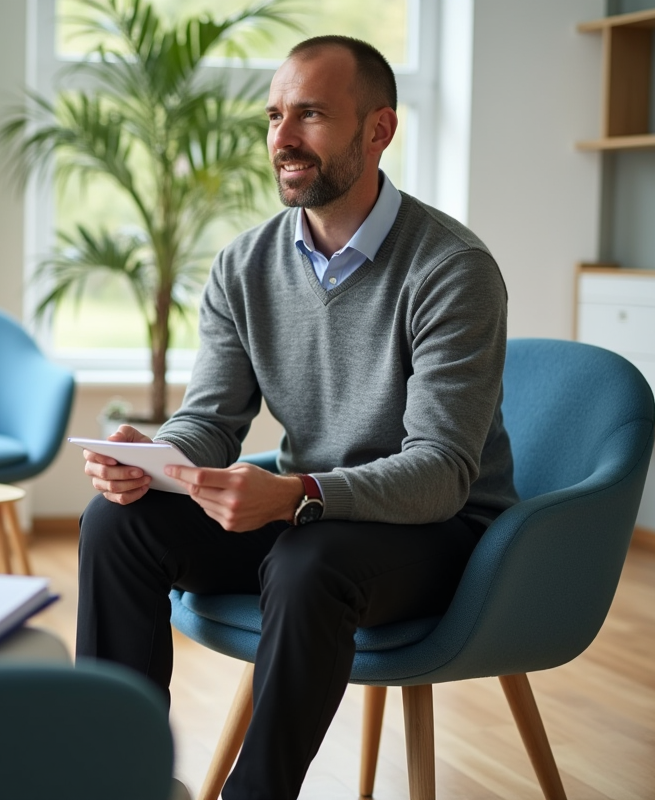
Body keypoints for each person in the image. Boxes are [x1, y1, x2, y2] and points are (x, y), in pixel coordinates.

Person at [76, 35, 519, 800]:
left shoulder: (451, 269)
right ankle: (119, 775)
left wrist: (300, 494)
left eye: (310, 114)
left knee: (308, 562)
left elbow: (444, 472)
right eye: (274, 115)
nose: (282, 139)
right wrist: (155, 459)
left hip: (438, 535)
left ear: (378, 130)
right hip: (312, 513)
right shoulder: (244, 265)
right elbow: (210, 420)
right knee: (119, 524)